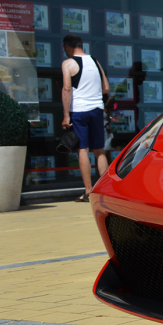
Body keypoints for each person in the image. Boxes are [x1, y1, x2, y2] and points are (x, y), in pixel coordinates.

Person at [61, 34, 110, 202]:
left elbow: (67, 89)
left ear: (67, 47)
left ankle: (89, 190)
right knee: (99, 151)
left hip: (79, 111)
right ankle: (106, 190)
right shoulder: (95, 62)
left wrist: (66, 115)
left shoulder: (68, 63)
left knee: (83, 149)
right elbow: (106, 88)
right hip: (97, 109)